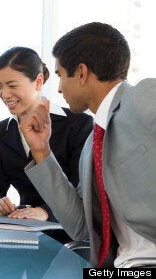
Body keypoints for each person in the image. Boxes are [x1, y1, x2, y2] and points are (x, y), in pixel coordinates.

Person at [20, 22, 156, 267]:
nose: (59, 88)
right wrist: (41, 151)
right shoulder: (91, 146)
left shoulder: (144, 96)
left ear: (81, 73)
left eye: (61, 75)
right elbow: (81, 227)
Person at [0, 47, 92, 242]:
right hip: (22, 230)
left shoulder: (78, 125)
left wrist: (44, 211)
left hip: (70, 233)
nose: (5, 94)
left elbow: (82, 190)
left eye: (12, 85)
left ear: (38, 81)